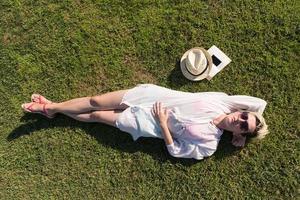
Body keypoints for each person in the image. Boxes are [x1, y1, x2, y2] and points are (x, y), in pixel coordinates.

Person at [21, 84, 269, 160]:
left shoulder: (210, 144)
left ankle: (50, 108)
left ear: (238, 134)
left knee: (96, 116)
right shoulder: (224, 102)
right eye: (245, 115)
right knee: (96, 100)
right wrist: (253, 122)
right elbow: (259, 103)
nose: (241, 119)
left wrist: (163, 124)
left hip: (146, 123)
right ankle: (52, 108)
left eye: (243, 126)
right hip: (151, 96)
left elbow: (177, 151)